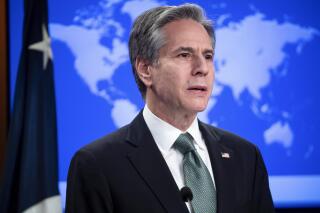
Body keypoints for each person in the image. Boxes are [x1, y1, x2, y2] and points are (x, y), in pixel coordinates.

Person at [66, 3, 275, 213]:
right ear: (145, 69)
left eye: (208, 56)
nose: (202, 68)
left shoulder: (245, 156)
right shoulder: (97, 164)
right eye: (184, 55)